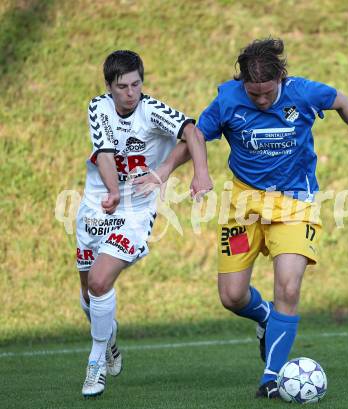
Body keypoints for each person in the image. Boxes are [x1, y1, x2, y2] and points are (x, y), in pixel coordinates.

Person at [133, 38, 348, 399]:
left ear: (281, 77)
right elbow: (197, 135)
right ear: (243, 85)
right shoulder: (230, 99)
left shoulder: (304, 93)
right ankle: (266, 318)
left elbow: (341, 101)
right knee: (232, 296)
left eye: (267, 93)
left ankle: (272, 376)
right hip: (242, 205)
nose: (261, 100)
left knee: (289, 286)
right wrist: (165, 171)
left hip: (296, 203)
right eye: (254, 94)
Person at [75, 50, 212, 398]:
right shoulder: (98, 107)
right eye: (122, 86)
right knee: (88, 296)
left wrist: (200, 174)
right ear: (109, 87)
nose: (131, 92)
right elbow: (105, 154)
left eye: (136, 84)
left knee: (100, 280)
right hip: (97, 205)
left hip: (136, 209)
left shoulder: (153, 111)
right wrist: (111, 192)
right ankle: (108, 340)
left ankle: (94, 364)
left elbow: (193, 133)